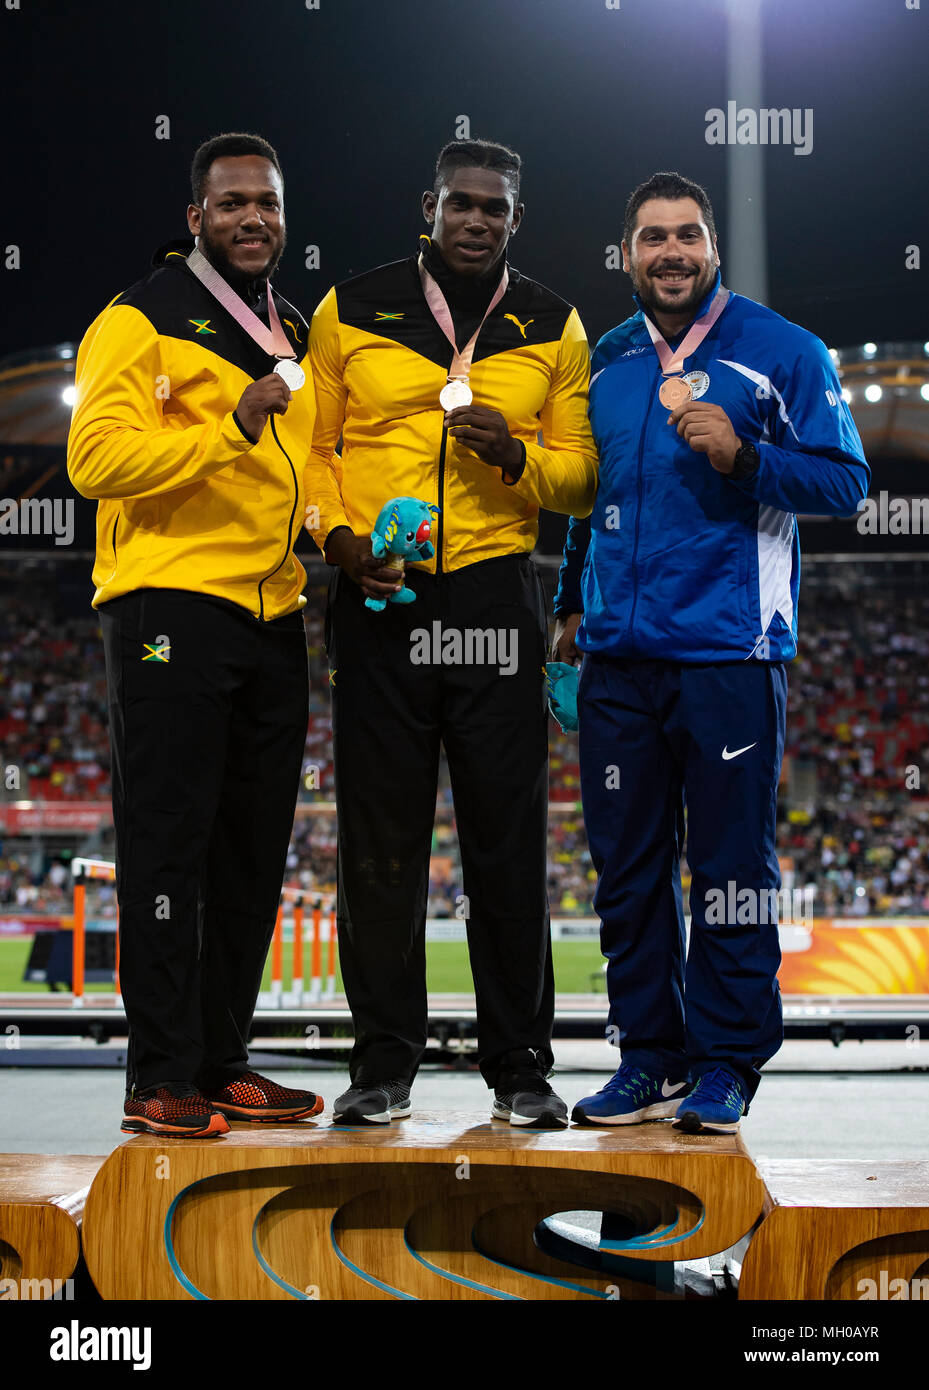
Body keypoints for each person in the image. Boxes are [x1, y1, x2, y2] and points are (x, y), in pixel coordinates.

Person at [554, 171, 869, 1133]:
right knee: (627, 871)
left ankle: (725, 1061)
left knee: (730, 869)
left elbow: (846, 482)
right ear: (625, 255)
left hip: (730, 655)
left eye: (687, 233)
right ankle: (647, 1056)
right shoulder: (606, 358)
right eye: (651, 237)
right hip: (615, 662)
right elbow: (590, 500)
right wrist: (569, 605)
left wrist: (743, 457)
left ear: (713, 244)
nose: (671, 251)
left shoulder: (784, 351)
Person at [307, 138, 598, 1127]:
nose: (477, 219)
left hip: (490, 594)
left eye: (496, 208)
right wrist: (340, 542)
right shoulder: (350, 307)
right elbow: (309, 452)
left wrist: (516, 456)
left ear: (518, 220)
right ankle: (381, 1066)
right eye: (461, 203)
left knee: (506, 842)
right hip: (378, 599)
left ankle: (518, 1066)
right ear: (426, 205)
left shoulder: (551, 322)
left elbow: (584, 478)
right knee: (379, 844)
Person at [68, 132, 325, 1136]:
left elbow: (294, 476)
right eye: (230, 204)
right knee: (170, 848)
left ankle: (222, 1060)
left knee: (251, 853)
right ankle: (156, 1076)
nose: (251, 218)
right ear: (195, 220)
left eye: (265, 202)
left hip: (271, 614)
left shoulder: (291, 325)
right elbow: (94, 458)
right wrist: (231, 426)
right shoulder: (138, 320)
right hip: (168, 609)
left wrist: (338, 542)